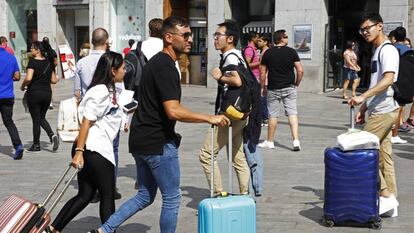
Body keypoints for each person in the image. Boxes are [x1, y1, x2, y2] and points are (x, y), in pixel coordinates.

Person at [89, 16, 230, 233]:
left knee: (145, 195)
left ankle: (103, 230)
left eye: (190, 35)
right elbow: (173, 110)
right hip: (158, 143)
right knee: (172, 198)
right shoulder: (165, 66)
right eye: (185, 35)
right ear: (168, 37)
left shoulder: (158, 62)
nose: (190, 39)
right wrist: (209, 117)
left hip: (141, 140)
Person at [45, 52, 126, 233]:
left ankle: (54, 228)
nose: (125, 71)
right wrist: (79, 151)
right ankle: (108, 231)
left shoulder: (110, 89)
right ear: (113, 71)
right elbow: (87, 121)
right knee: (107, 195)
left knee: (85, 195)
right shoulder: (100, 91)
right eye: (123, 68)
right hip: (93, 148)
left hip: (94, 146)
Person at [350, 13, 400, 217]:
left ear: (380, 26)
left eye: (368, 28)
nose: (365, 32)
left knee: (361, 151)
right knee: (383, 157)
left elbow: (388, 79)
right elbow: (374, 82)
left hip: (384, 110)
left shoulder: (388, 50)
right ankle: (391, 203)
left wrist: (363, 99)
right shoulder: (376, 50)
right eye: (362, 30)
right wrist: (364, 108)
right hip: (379, 108)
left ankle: (385, 195)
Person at [199, 20, 251, 196]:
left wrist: (220, 76)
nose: (214, 39)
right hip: (241, 113)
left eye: (217, 35)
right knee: (237, 156)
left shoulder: (230, 57)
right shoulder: (239, 55)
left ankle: (218, 194)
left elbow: (236, 80)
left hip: (228, 114)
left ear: (230, 39)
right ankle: (245, 196)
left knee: (207, 154)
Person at [73, 28, 122, 201]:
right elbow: (119, 92)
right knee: (112, 148)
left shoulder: (82, 62)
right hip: (105, 118)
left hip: (89, 116)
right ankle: (108, 185)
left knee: (84, 194)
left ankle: (97, 188)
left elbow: (78, 93)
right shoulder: (112, 61)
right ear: (107, 40)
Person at [258, 29, 304, 151]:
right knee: (292, 113)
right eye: (286, 36)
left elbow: (262, 73)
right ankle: (295, 141)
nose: (287, 38)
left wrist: (262, 87)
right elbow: (300, 70)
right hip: (289, 87)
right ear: (281, 38)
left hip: (273, 88)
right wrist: (296, 84)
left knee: (273, 115)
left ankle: (270, 141)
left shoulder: (267, 53)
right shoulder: (292, 52)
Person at [20, 41, 59, 153]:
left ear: (38, 50)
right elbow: (54, 80)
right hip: (47, 94)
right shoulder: (48, 62)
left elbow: (28, 78)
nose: (31, 50)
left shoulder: (32, 62)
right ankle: (52, 136)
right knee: (41, 117)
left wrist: (22, 86)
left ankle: (36, 144)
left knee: (36, 120)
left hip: (34, 93)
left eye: (32, 48)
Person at [0, 43, 24, 159]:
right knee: (9, 122)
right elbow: (18, 76)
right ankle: (18, 145)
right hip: (7, 95)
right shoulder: (11, 57)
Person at [391, 26, 411, 144]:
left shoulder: (390, 49)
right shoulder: (409, 52)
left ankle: (391, 133)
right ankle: (394, 134)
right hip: (403, 85)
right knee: (399, 110)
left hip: (390, 83)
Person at [257, 34, 271, 126]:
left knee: (263, 99)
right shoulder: (264, 51)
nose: (258, 42)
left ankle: (265, 118)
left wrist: (262, 81)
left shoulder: (265, 52)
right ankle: (264, 117)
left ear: (265, 42)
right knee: (263, 99)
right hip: (265, 78)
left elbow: (263, 69)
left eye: (260, 41)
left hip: (265, 79)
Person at [42, 36, 59, 110]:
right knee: (51, 88)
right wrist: (52, 67)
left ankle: (44, 101)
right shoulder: (52, 51)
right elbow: (56, 62)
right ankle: (50, 103)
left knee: (43, 87)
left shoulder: (41, 51)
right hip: (51, 71)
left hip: (42, 71)